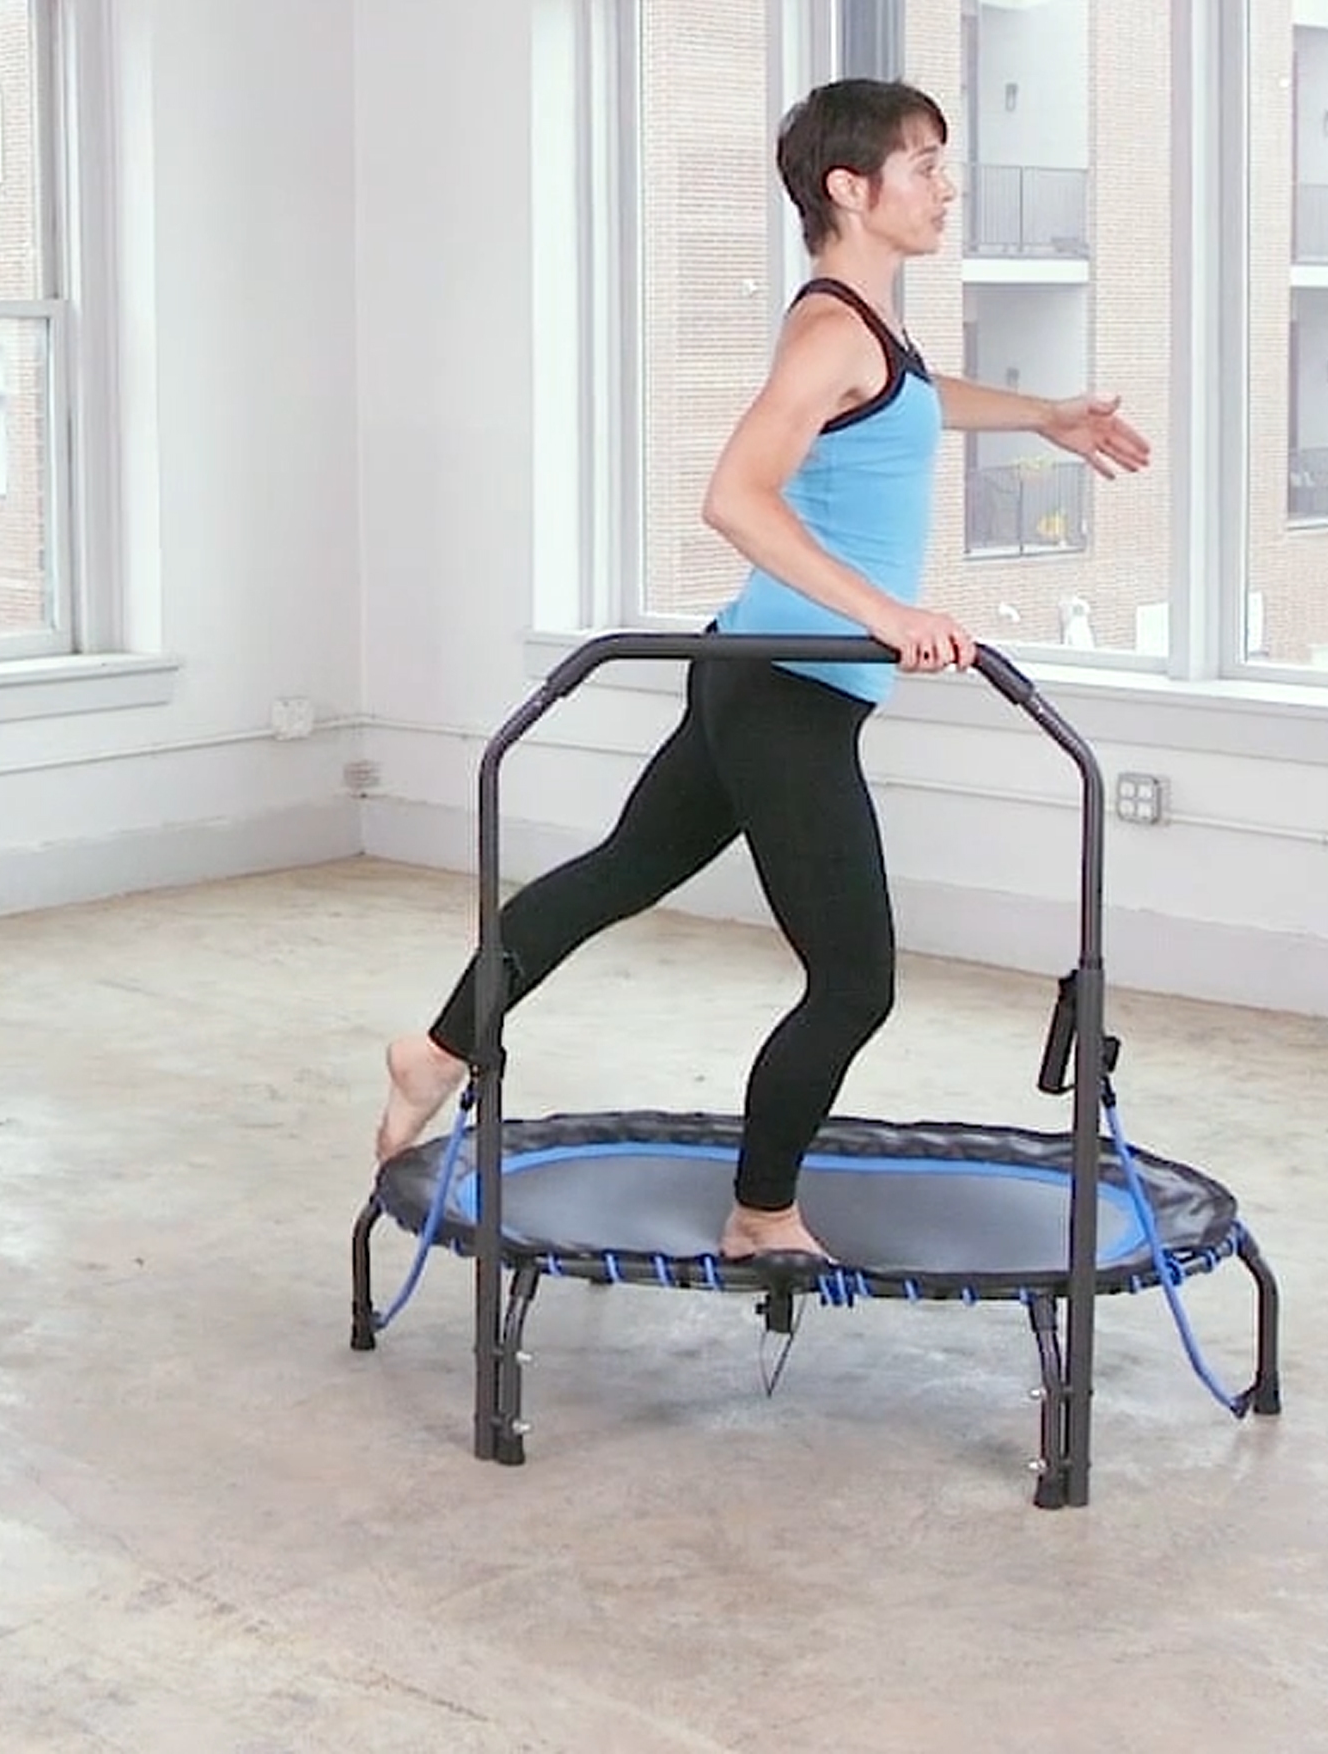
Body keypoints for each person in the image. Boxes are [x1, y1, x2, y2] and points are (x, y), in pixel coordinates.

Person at [373, 77, 1150, 1263]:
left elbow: (910, 407)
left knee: (622, 868)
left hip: (757, 671)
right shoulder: (833, 327)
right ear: (852, 187)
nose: (948, 184)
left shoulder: (869, 332)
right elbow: (734, 496)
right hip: (784, 688)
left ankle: (433, 1047)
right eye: (925, 163)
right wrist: (886, 612)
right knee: (854, 983)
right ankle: (760, 1212)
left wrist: (1043, 414)